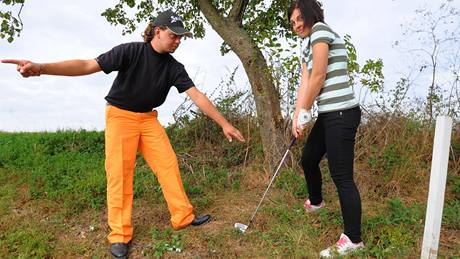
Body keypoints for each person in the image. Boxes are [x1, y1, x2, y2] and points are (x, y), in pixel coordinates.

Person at [2, 9, 245, 259]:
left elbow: (197, 96)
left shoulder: (174, 68)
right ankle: (119, 235)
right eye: (174, 35)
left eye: (181, 37)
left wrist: (224, 124)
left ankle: (183, 217)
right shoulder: (130, 51)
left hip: (148, 119)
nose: (178, 41)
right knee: (119, 174)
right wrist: (41, 68)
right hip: (120, 116)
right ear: (158, 31)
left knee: (168, 164)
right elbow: (87, 65)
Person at [288, 0, 364, 257]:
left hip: (342, 112)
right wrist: (297, 114)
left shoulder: (320, 29)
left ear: (311, 14)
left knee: (342, 177)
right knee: (308, 159)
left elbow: (320, 74)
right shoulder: (305, 44)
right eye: (292, 22)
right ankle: (316, 202)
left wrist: (308, 108)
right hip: (328, 113)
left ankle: (354, 239)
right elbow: (306, 80)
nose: (296, 25)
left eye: (299, 18)